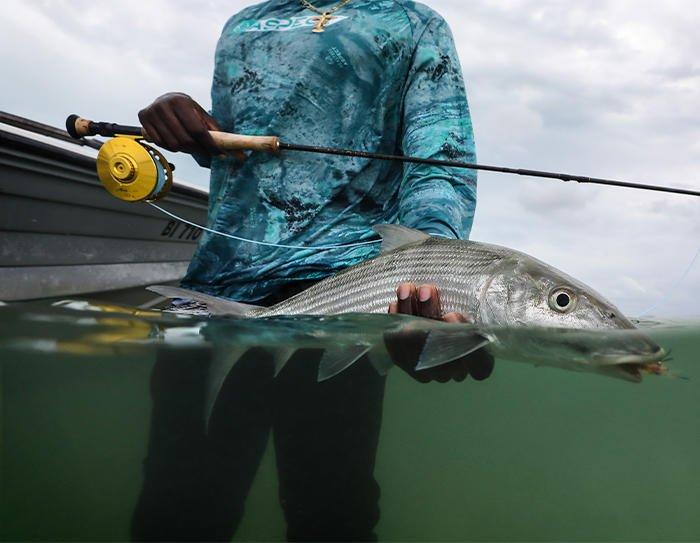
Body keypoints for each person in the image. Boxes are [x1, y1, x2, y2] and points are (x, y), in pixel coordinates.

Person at [132, 0, 494, 540]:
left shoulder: (414, 24)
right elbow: (238, 151)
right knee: (174, 514)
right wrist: (180, 117)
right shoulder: (242, 24)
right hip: (213, 294)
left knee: (331, 517)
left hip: (340, 302)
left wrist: (427, 283)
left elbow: (438, 164)